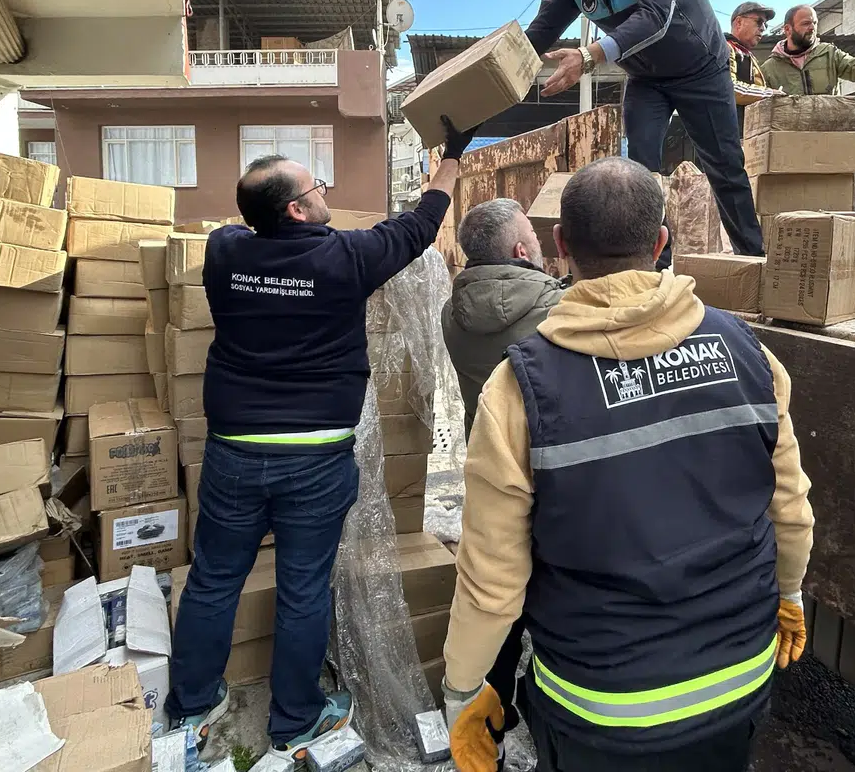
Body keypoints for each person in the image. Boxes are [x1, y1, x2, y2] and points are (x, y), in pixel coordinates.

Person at [440, 157, 815, 772]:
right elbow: (789, 506)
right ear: (662, 243)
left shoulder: (519, 387)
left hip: (603, 707)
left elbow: (492, 575)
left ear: (560, 246)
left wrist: (464, 689)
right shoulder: (750, 352)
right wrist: (792, 591)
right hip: (740, 677)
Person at [165, 118, 476, 763]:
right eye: (316, 187)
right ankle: (295, 720)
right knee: (303, 587)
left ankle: (193, 700)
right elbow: (421, 226)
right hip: (316, 458)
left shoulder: (224, 253)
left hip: (234, 453)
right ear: (299, 209)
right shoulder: (345, 259)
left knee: (215, 577)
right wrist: (450, 157)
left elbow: (236, 231)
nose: (326, 191)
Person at [522, 0, 764, 263]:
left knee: (724, 165)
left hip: (700, 68)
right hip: (647, 79)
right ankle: (652, 266)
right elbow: (538, 32)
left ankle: (754, 260)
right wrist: (495, 69)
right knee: (639, 175)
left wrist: (589, 56)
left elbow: (655, 16)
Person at [441, 197, 568, 770]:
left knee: (498, 589)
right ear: (522, 251)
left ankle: (493, 705)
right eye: (533, 240)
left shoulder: (454, 312)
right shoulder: (555, 309)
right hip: (548, 469)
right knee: (552, 585)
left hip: (489, 463)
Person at [727, 0, 775, 95]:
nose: (763, 28)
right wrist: (769, 93)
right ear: (739, 22)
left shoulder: (748, 55)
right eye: (759, 21)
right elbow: (728, 87)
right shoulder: (725, 48)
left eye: (765, 24)